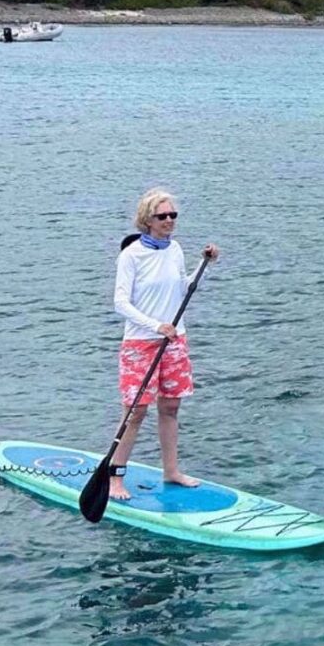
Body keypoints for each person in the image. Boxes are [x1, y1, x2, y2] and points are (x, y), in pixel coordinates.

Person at [108, 188, 219, 501]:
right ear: (148, 220)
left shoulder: (175, 250)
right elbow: (120, 303)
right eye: (163, 216)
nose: (170, 220)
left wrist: (204, 264)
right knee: (135, 413)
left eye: (173, 215)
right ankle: (115, 476)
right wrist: (155, 325)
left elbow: (183, 288)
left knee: (170, 407)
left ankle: (171, 471)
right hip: (141, 344)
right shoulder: (131, 255)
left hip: (174, 341)